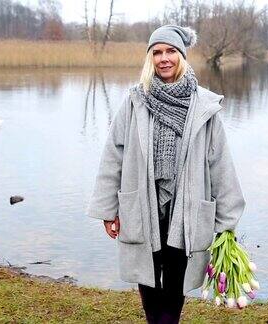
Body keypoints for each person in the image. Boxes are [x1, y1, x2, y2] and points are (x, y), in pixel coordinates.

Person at [87, 25, 245, 324]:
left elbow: (220, 163)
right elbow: (113, 156)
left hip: (185, 207)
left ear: (182, 56)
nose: (164, 58)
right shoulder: (135, 101)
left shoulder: (204, 106)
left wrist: (227, 221)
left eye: (170, 51)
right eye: (157, 52)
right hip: (142, 203)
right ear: (150, 59)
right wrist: (108, 210)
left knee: (176, 278)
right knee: (147, 275)